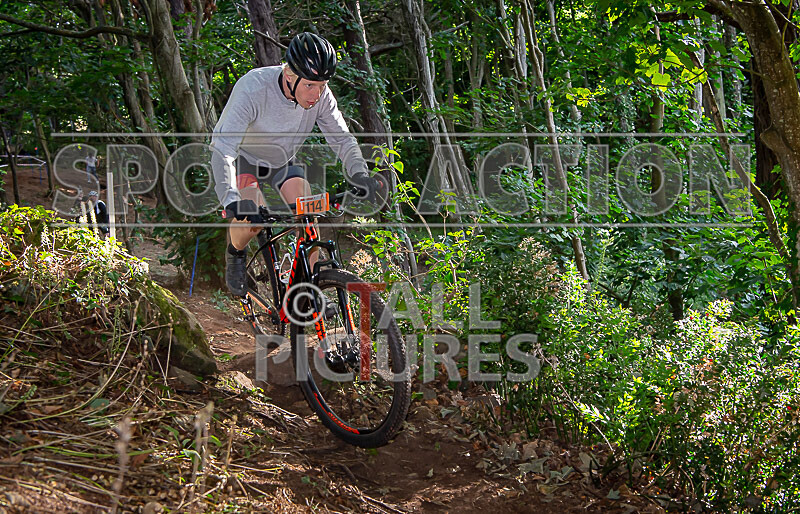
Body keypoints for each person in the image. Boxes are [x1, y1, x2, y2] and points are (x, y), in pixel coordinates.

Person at [211, 32, 385, 296]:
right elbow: (222, 147)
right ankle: (235, 253)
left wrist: (359, 172)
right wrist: (230, 198)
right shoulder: (254, 88)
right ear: (289, 76)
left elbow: (342, 139)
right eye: (310, 86)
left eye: (322, 85)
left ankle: (311, 291)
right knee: (251, 221)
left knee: (308, 214)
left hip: (283, 160)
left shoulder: (321, 96)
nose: (316, 94)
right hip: (246, 159)